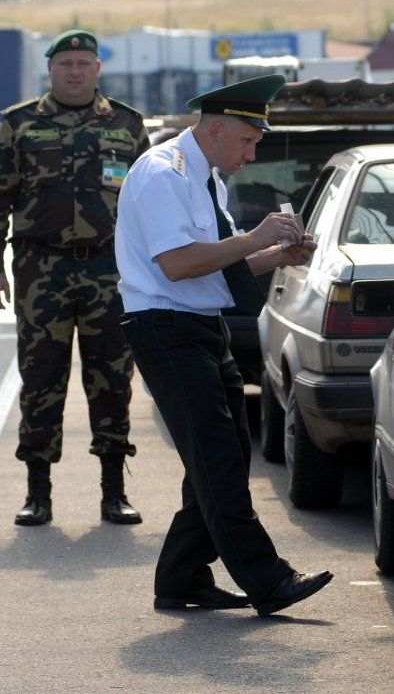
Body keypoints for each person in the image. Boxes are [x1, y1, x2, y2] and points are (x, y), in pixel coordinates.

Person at [115, 74, 333, 616]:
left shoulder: (206, 176)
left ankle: (182, 576)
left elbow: (217, 264)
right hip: (165, 328)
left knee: (229, 453)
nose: (253, 151)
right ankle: (268, 580)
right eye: (248, 140)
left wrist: (275, 256)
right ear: (214, 130)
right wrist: (255, 237)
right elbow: (178, 264)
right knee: (216, 458)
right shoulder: (163, 174)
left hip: (198, 325)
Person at [0, 29, 151, 527]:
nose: (75, 71)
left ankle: (114, 492)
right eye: (66, 63)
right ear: (50, 69)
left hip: (109, 271)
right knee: (41, 379)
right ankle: (38, 493)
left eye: (84, 63)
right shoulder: (20, 124)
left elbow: (149, 204)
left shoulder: (127, 126)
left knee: (113, 379)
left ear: (98, 70)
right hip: (39, 270)